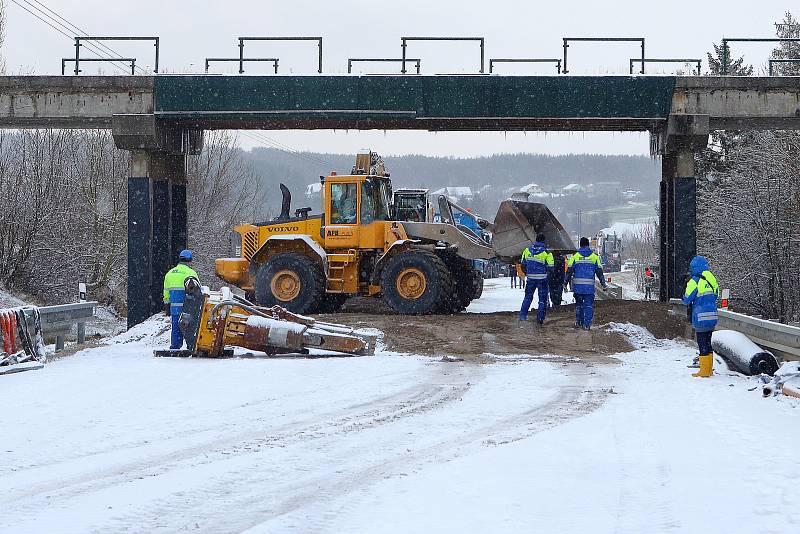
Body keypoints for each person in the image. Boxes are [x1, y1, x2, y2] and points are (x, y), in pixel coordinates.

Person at [682, 255, 719, 378]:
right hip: (712, 316)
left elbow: (687, 299)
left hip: (701, 317)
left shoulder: (694, 281)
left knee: (702, 343)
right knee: (708, 343)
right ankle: (709, 370)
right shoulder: (711, 278)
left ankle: (704, 371)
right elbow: (716, 294)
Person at [565, 237, 608, 330]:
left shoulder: (574, 257)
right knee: (588, 305)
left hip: (578, 288)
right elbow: (600, 272)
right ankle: (587, 324)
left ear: (580, 245)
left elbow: (569, 271)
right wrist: (603, 284)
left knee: (579, 305)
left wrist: (565, 283)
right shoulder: (595, 257)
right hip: (589, 288)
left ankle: (579, 322)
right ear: (588, 245)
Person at [163, 249, 200, 350]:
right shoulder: (191, 273)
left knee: (176, 327)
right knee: (189, 328)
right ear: (190, 260)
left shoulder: (169, 274)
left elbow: (166, 293)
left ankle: (175, 347)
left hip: (174, 308)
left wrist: (167, 306)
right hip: (187, 308)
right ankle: (191, 346)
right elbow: (197, 292)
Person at [519, 234, 554, 325]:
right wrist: (546, 274)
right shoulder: (547, 253)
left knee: (527, 297)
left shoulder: (527, 251)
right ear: (543, 241)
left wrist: (528, 273)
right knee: (542, 300)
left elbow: (522, 265)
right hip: (542, 279)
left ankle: (522, 316)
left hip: (530, 279)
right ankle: (540, 318)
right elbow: (551, 268)